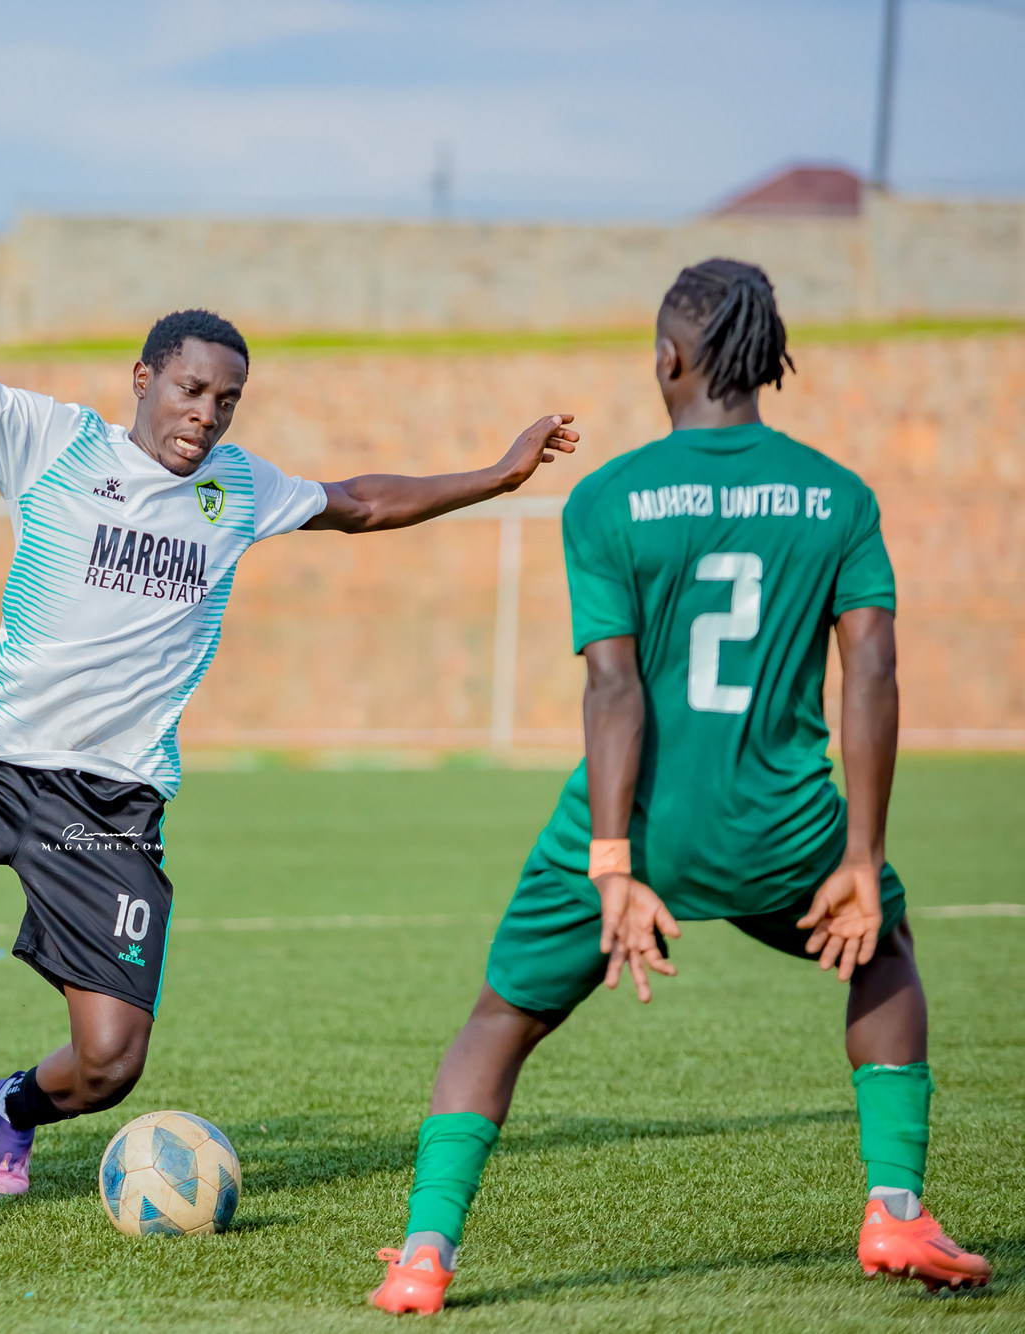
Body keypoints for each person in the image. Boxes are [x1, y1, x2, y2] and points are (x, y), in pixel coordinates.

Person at [0, 204, 580, 1199]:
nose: (206, 415)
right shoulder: (51, 440)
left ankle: (11, 1108)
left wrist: (498, 475)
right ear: (143, 379)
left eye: (226, 400)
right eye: (190, 390)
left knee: (110, 1061)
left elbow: (363, 502)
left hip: (108, 803)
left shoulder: (239, 490)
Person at [368, 260, 991, 1315]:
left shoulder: (608, 497)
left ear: (669, 359)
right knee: (882, 950)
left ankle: (424, 1256)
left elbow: (612, 690)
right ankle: (893, 1207)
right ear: (765, 361)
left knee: (499, 1019)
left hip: (632, 822)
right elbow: (874, 671)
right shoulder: (837, 495)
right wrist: (860, 855)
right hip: (782, 824)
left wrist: (611, 863)